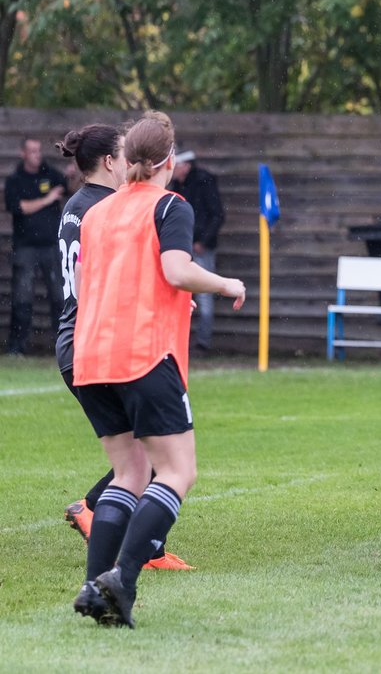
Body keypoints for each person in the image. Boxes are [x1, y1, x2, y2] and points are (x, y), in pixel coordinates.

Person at [69, 112, 245, 627]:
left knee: (130, 473)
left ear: (126, 163)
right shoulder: (171, 205)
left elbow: (92, 282)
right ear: (169, 161)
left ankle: (93, 586)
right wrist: (226, 284)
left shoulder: (98, 212)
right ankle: (122, 579)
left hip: (92, 356)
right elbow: (175, 269)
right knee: (176, 471)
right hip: (143, 354)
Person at [56, 123, 192, 571]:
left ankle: (103, 558)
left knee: (140, 456)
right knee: (158, 457)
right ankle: (133, 546)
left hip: (83, 338)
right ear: (112, 161)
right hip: (108, 336)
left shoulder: (83, 207)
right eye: (122, 154)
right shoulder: (111, 208)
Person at [5, 137, 67, 355]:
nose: (36, 155)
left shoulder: (50, 174)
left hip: (51, 246)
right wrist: (47, 199)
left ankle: (63, 347)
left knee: (59, 298)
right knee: (22, 299)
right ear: (23, 153)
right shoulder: (15, 180)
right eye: (32, 151)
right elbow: (20, 207)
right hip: (25, 247)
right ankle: (17, 348)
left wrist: (77, 171)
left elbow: (71, 186)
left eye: (38, 151)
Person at [169, 150, 225, 352]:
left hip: (200, 248)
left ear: (185, 166)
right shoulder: (176, 187)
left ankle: (203, 343)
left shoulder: (204, 182)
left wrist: (202, 241)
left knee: (204, 295)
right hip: (181, 248)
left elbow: (216, 215)